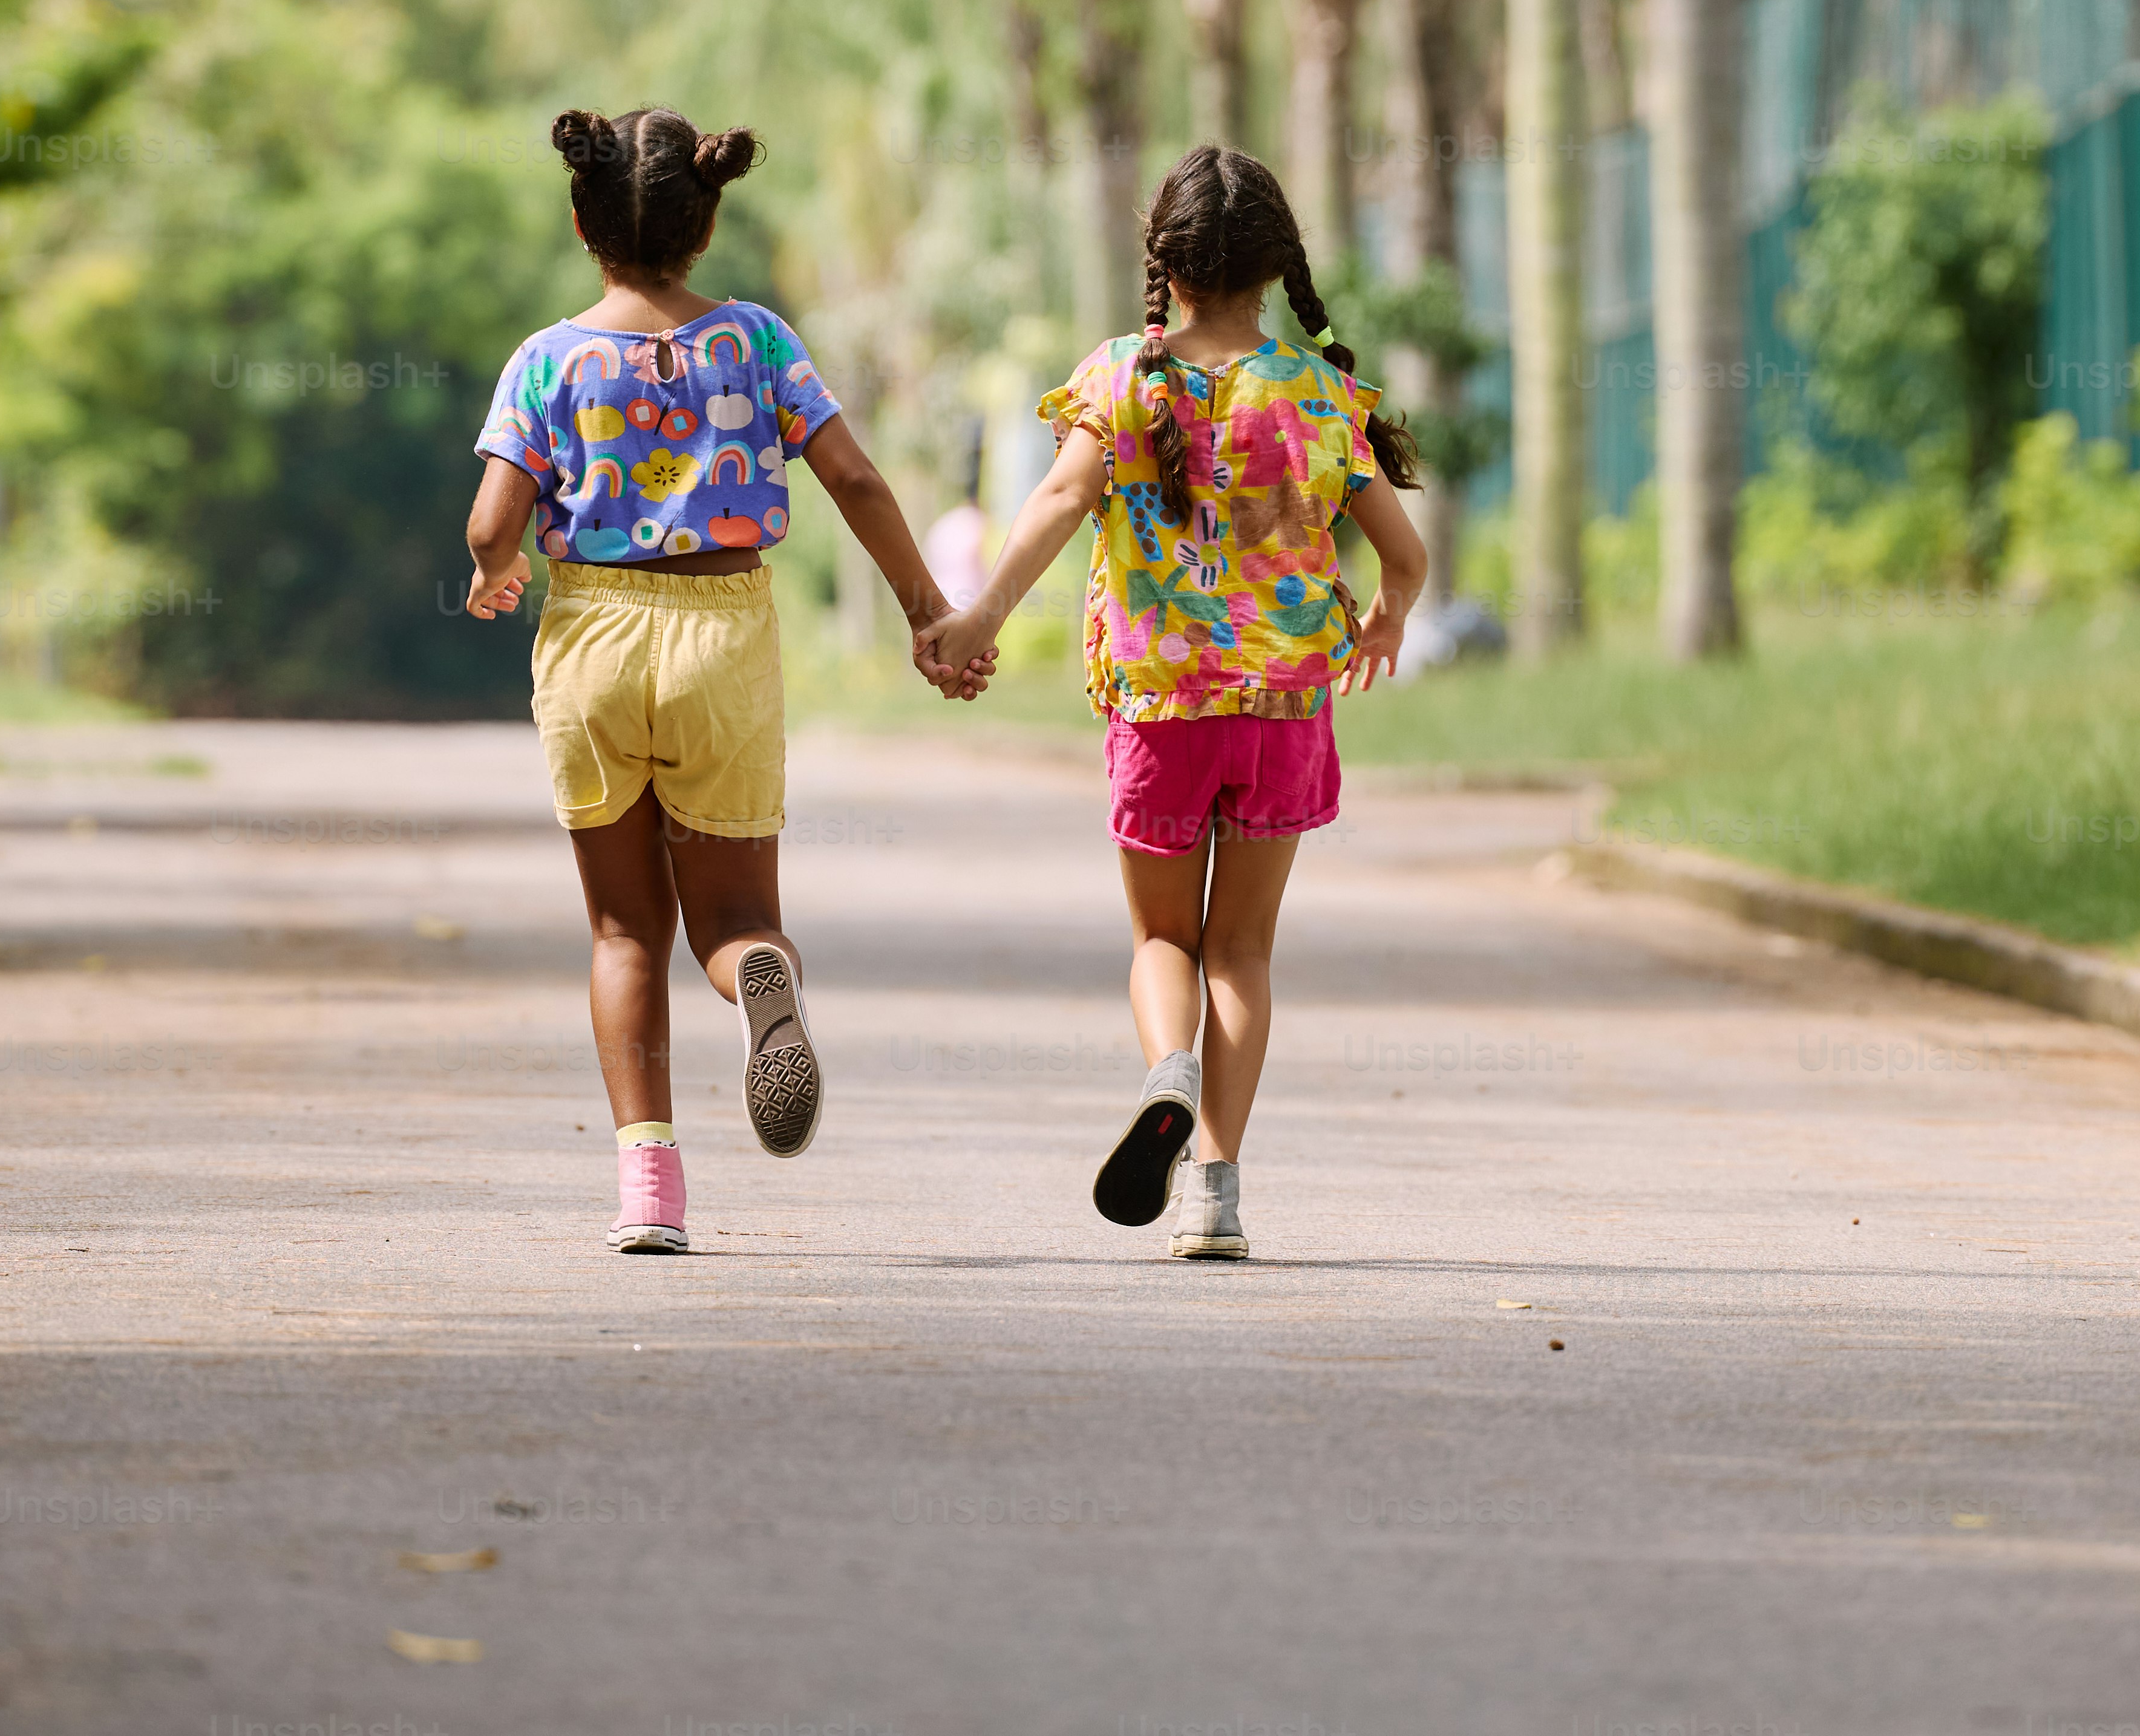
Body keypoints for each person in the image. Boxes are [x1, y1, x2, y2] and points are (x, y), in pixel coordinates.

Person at [466, 105, 975, 1255]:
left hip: (594, 632)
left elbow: (493, 517)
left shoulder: (549, 359)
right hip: (723, 627)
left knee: (622, 933)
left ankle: (650, 1189)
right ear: (706, 221)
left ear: (584, 219)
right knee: (735, 917)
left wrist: (497, 572)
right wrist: (926, 610)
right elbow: (852, 477)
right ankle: (759, 978)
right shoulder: (754, 340)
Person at [921, 143, 1428, 1262]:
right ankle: (1215, 1193)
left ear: (1163, 263)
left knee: (1164, 935)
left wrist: (978, 620)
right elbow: (1404, 552)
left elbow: (1056, 503)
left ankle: (1166, 1069)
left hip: (1161, 705)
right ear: (1277, 267)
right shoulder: (1318, 391)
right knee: (1242, 950)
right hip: (1284, 709)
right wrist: (1386, 620)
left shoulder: (1117, 377)